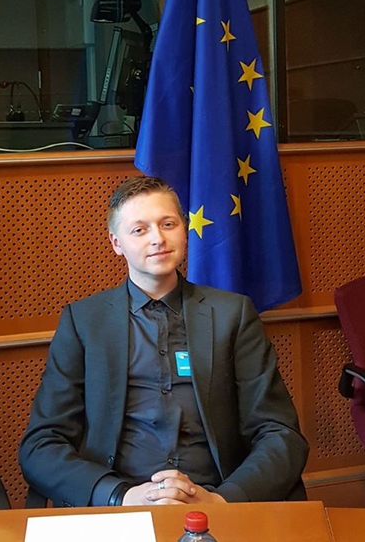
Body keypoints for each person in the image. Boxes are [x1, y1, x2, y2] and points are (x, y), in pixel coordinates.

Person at [19, 176, 308, 507]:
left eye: (168, 224)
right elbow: (41, 445)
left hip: (215, 499)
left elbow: (281, 434)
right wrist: (119, 496)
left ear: (184, 230)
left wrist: (223, 500)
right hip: (120, 506)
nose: (158, 238)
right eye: (139, 230)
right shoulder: (84, 322)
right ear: (116, 243)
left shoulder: (233, 314)